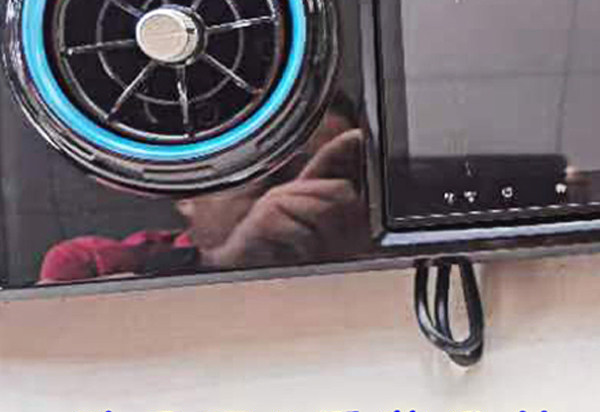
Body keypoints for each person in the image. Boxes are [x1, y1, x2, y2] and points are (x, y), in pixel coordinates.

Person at [39, 91, 367, 283]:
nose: (303, 199)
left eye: (329, 176)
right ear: (186, 190)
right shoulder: (95, 264)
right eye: (269, 178)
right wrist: (224, 265)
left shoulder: (371, 249)